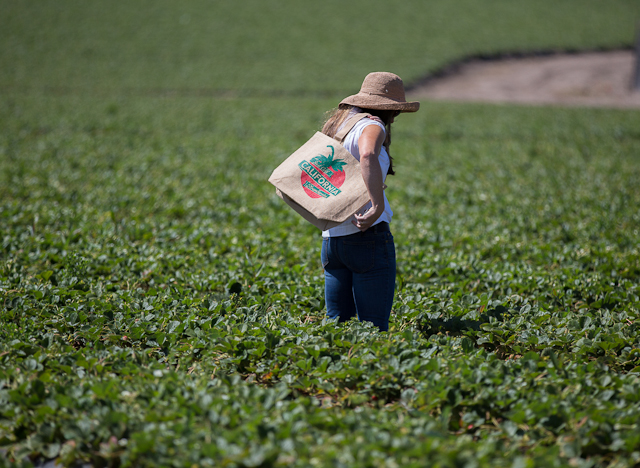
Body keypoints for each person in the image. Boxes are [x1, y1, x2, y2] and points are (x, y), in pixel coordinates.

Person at [320, 72, 419, 332]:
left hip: (332, 239)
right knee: (373, 330)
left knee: (336, 329)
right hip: (367, 236)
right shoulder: (372, 125)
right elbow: (367, 155)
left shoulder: (338, 125)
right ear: (389, 110)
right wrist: (376, 205)